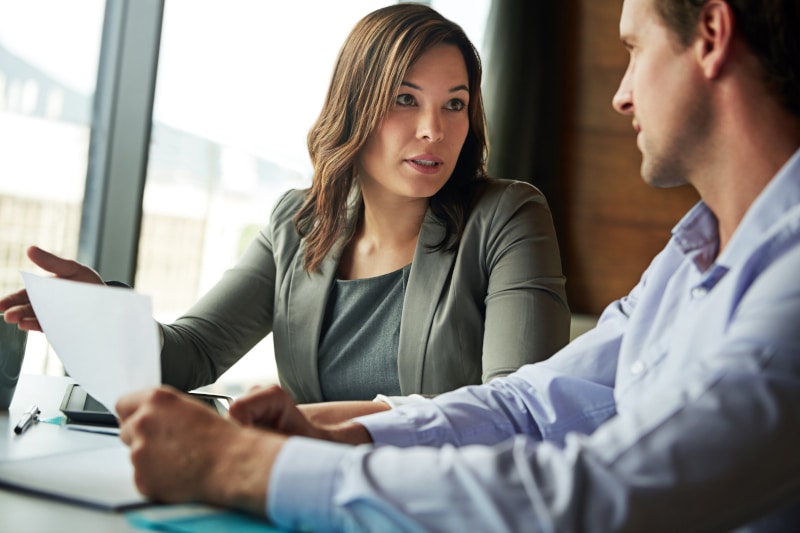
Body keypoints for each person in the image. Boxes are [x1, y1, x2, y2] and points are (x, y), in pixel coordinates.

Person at [111, 0, 800, 529]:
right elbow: (529, 402)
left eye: (634, 48)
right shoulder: (686, 263)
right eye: (405, 100)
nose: (619, 94)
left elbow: (596, 492)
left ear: (709, 35)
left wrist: (251, 465)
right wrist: (344, 435)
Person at [0, 4, 570, 405]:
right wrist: (99, 313)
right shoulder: (297, 224)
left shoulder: (508, 217)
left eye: (455, 104)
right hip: (308, 498)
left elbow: (515, 407)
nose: (433, 130)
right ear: (355, 107)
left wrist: (314, 429)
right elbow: (190, 353)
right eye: (405, 99)